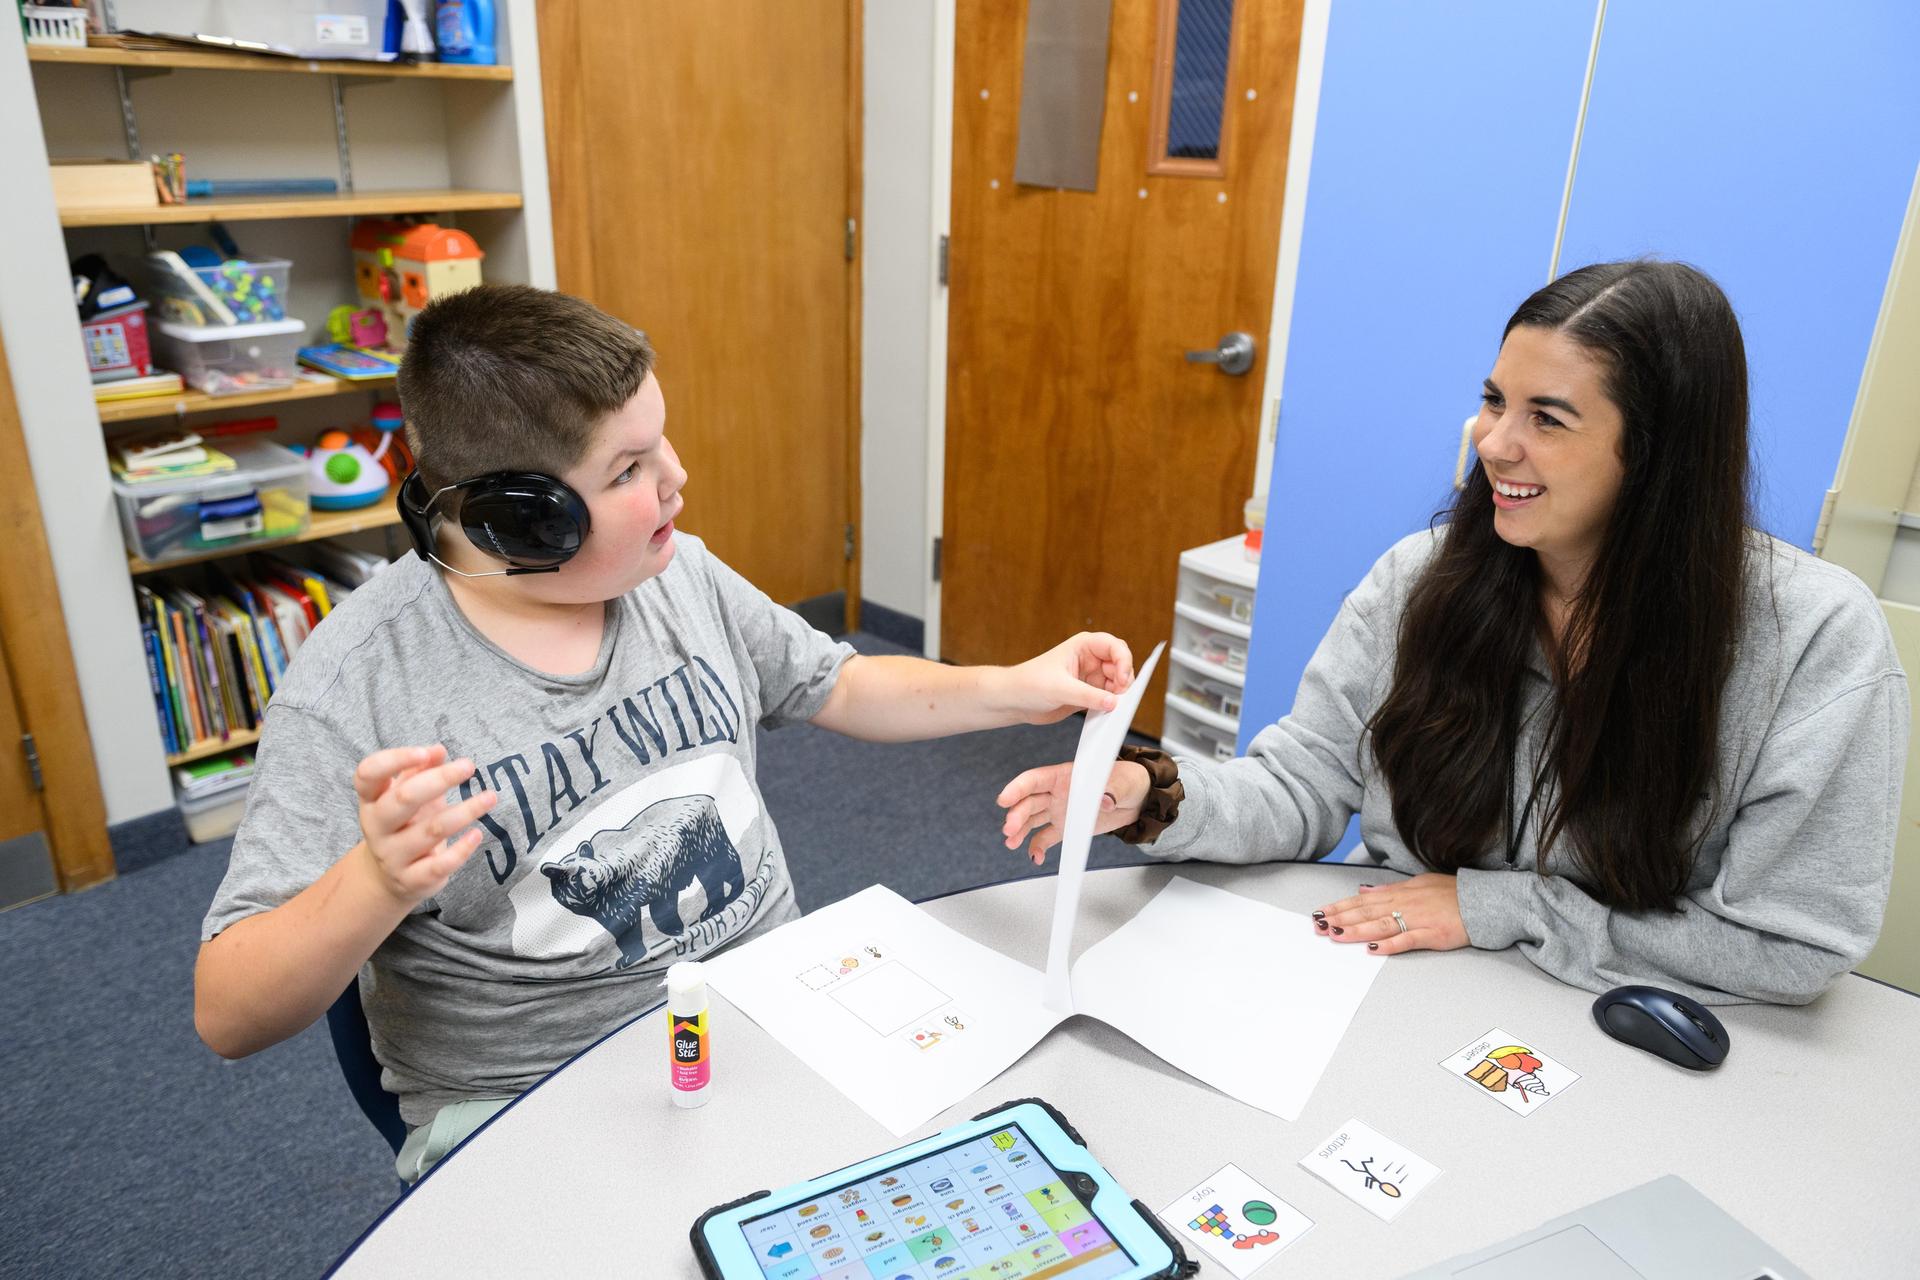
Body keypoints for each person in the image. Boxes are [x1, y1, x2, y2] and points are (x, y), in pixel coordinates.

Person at [194, 285, 1135, 1181]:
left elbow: (839, 683)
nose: (677, 480)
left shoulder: (673, 573)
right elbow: (228, 1012)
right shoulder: (357, 688)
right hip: (545, 1099)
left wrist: (1014, 688)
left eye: (660, 442)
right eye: (629, 470)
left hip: (773, 1014)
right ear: (525, 521)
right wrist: (373, 880)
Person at [998, 259, 1906, 1006]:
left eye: (1547, 419)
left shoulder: (1815, 641)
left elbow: (1790, 949)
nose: (1493, 443)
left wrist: (1501, 907)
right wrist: (1149, 793)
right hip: (1399, 993)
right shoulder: (1420, 579)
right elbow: (1303, 784)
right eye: (1495, 400)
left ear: (1661, 457)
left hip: (1623, 1021)